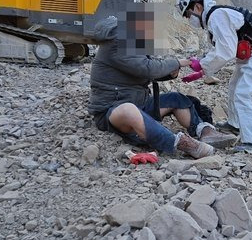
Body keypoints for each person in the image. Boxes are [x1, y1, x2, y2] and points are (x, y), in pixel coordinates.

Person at [88, 16, 237, 159]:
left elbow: (146, 70)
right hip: (110, 110)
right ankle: (180, 143)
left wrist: (170, 73)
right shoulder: (118, 44)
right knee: (128, 110)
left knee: (176, 99)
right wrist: (178, 62)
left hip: (138, 103)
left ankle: (206, 132)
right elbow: (148, 69)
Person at [176, 0, 252, 152]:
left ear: (197, 6)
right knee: (233, 86)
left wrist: (202, 65)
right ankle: (234, 124)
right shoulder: (214, 17)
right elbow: (221, 48)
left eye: (188, 14)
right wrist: (203, 69)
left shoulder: (217, 16)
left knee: (243, 92)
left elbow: (226, 52)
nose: (189, 19)